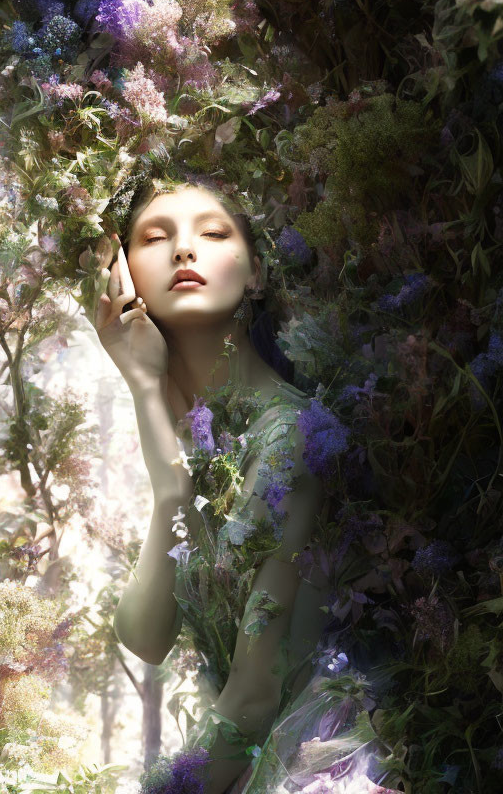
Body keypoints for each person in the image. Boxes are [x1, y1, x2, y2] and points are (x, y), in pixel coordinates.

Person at [90, 179, 399, 794]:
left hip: (316, 766)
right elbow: (146, 634)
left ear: (255, 271)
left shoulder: (291, 437)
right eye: (155, 237)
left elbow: (256, 697)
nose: (184, 250)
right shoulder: (208, 452)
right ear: (122, 278)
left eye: (212, 233)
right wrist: (146, 390)